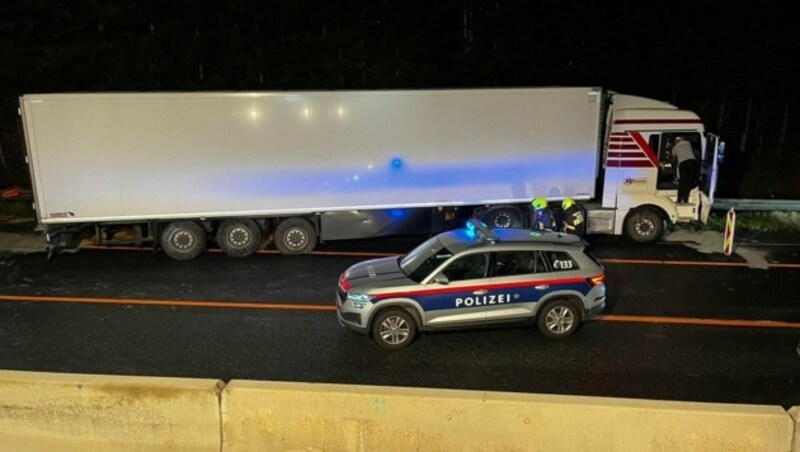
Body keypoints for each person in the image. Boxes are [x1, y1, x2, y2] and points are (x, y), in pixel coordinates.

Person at [672, 136, 698, 203]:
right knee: (688, 182)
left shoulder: (674, 148)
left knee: (682, 182)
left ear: (675, 142)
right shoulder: (687, 142)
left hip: (683, 163)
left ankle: (679, 199)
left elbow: (674, 158)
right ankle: (686, 199)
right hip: (692, 162)